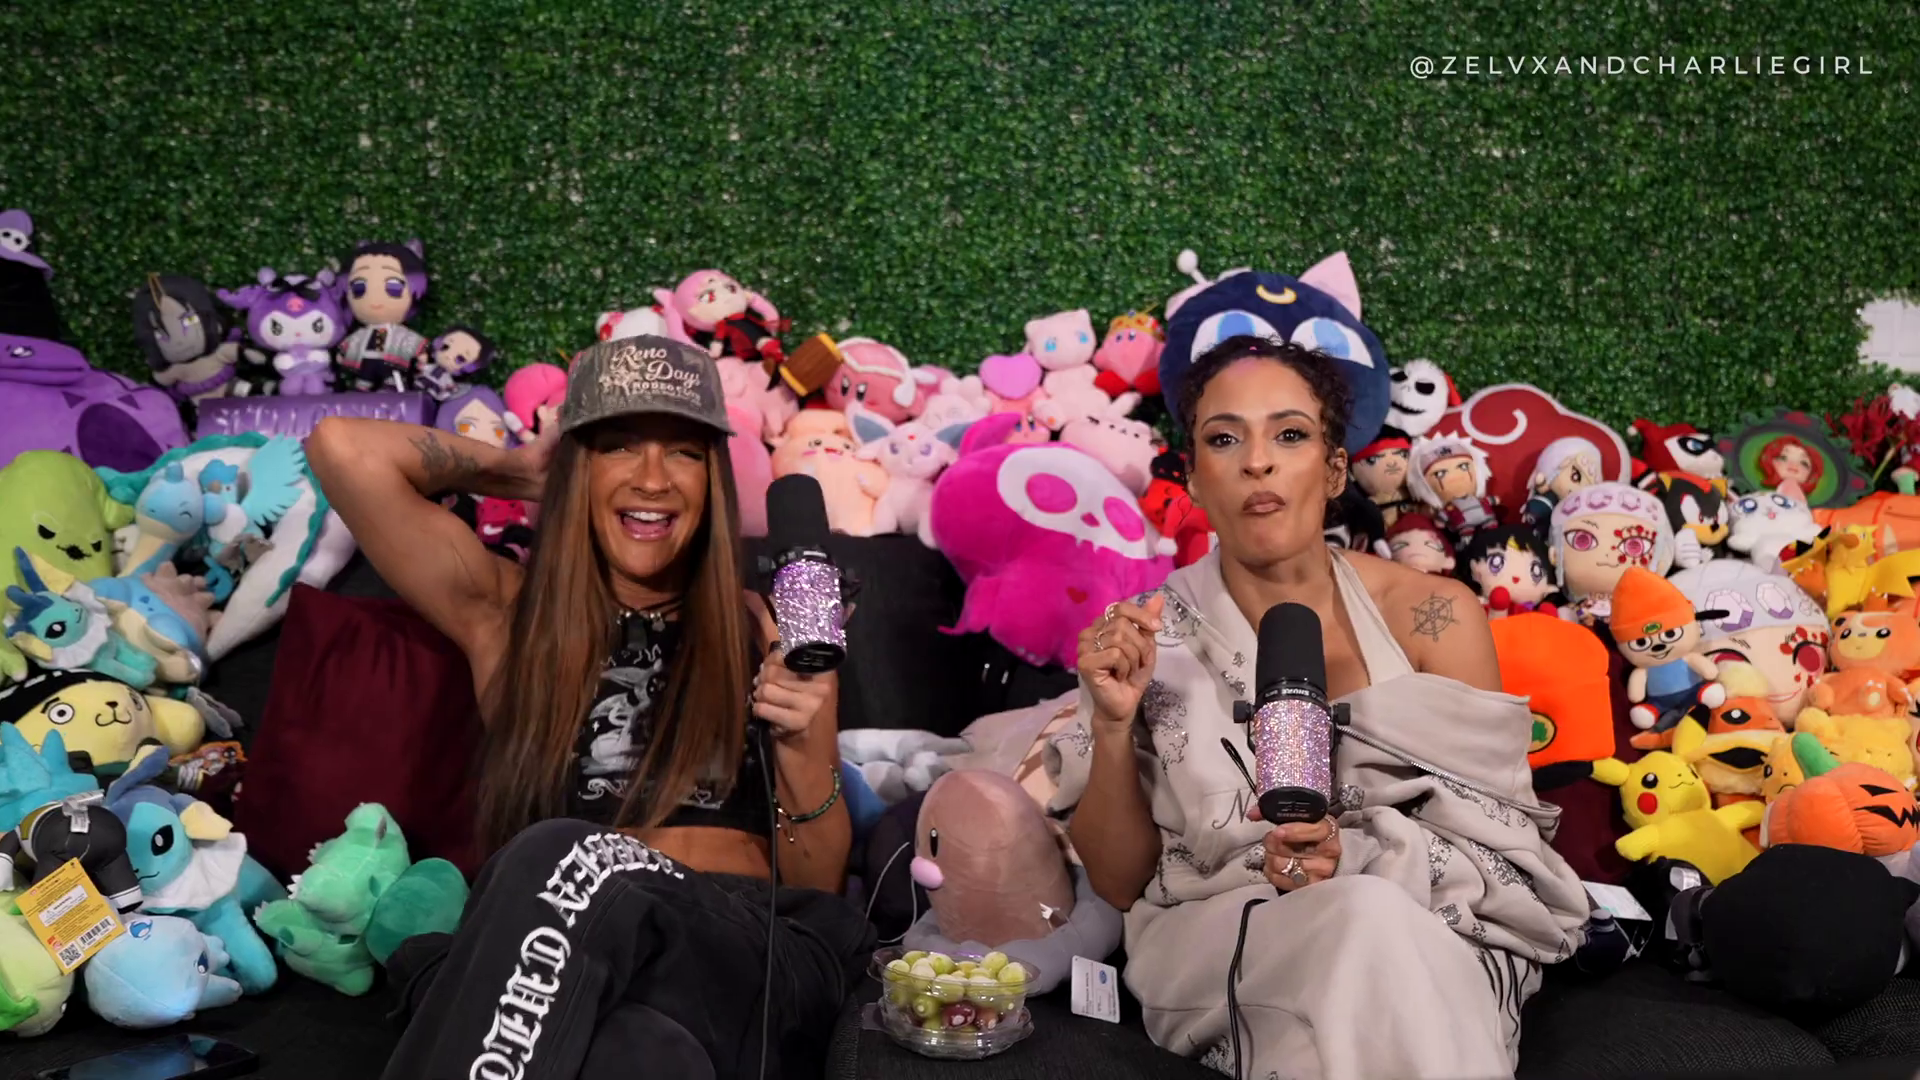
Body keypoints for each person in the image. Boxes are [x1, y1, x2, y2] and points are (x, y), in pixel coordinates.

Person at [307, 336, 872, 1080]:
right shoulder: (511, 617)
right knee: (629, 1052)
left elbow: (815, 883)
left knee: (562, 855)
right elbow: (341, 448)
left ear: (712, 480)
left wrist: (804, 735)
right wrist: (524, 471)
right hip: (567, 977)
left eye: (684, 452)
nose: (653, 479)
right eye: (618, 446)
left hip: (745, 959)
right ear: (579, 466)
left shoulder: (766, 625)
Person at [1050, 336, 1588, 1080]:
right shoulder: (1144, 637)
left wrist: (1357, 859)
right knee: (1363, 922)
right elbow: (1117, 883)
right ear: (1194, 478)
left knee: (1365, 942)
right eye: (1224, 439)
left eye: (1290, 435)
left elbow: (1502, 848)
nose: (1257, 462)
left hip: (1433, 931)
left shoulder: (1434, 615)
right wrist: (1113, 726)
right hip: (1225, 937)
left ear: (1335, 470)